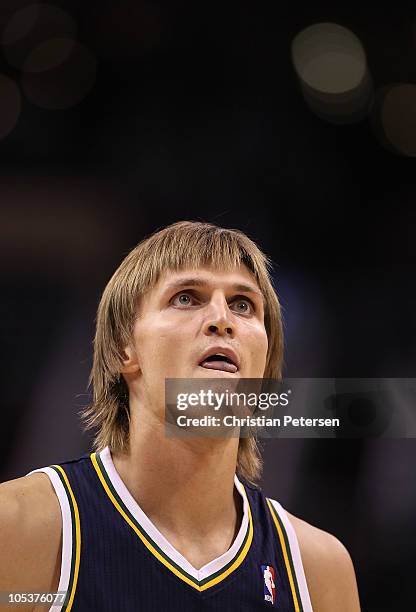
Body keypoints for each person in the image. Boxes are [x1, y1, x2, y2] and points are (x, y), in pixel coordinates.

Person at [0, 221, 361, 611]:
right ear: (125, 349)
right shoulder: (23, 527)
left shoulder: (318, 570)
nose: (223, 319)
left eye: (243, 305)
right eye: (187, 298)